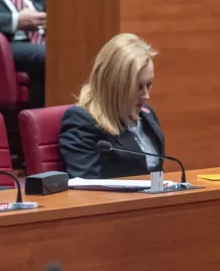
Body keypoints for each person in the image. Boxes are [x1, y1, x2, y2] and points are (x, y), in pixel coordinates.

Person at [59, 33, 164, 179]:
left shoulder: (147, 115)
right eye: (138, 87)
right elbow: (86, 186)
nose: (146, 95)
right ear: (115, 85)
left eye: (149, 84)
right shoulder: (82, 122)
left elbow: (157, 175)